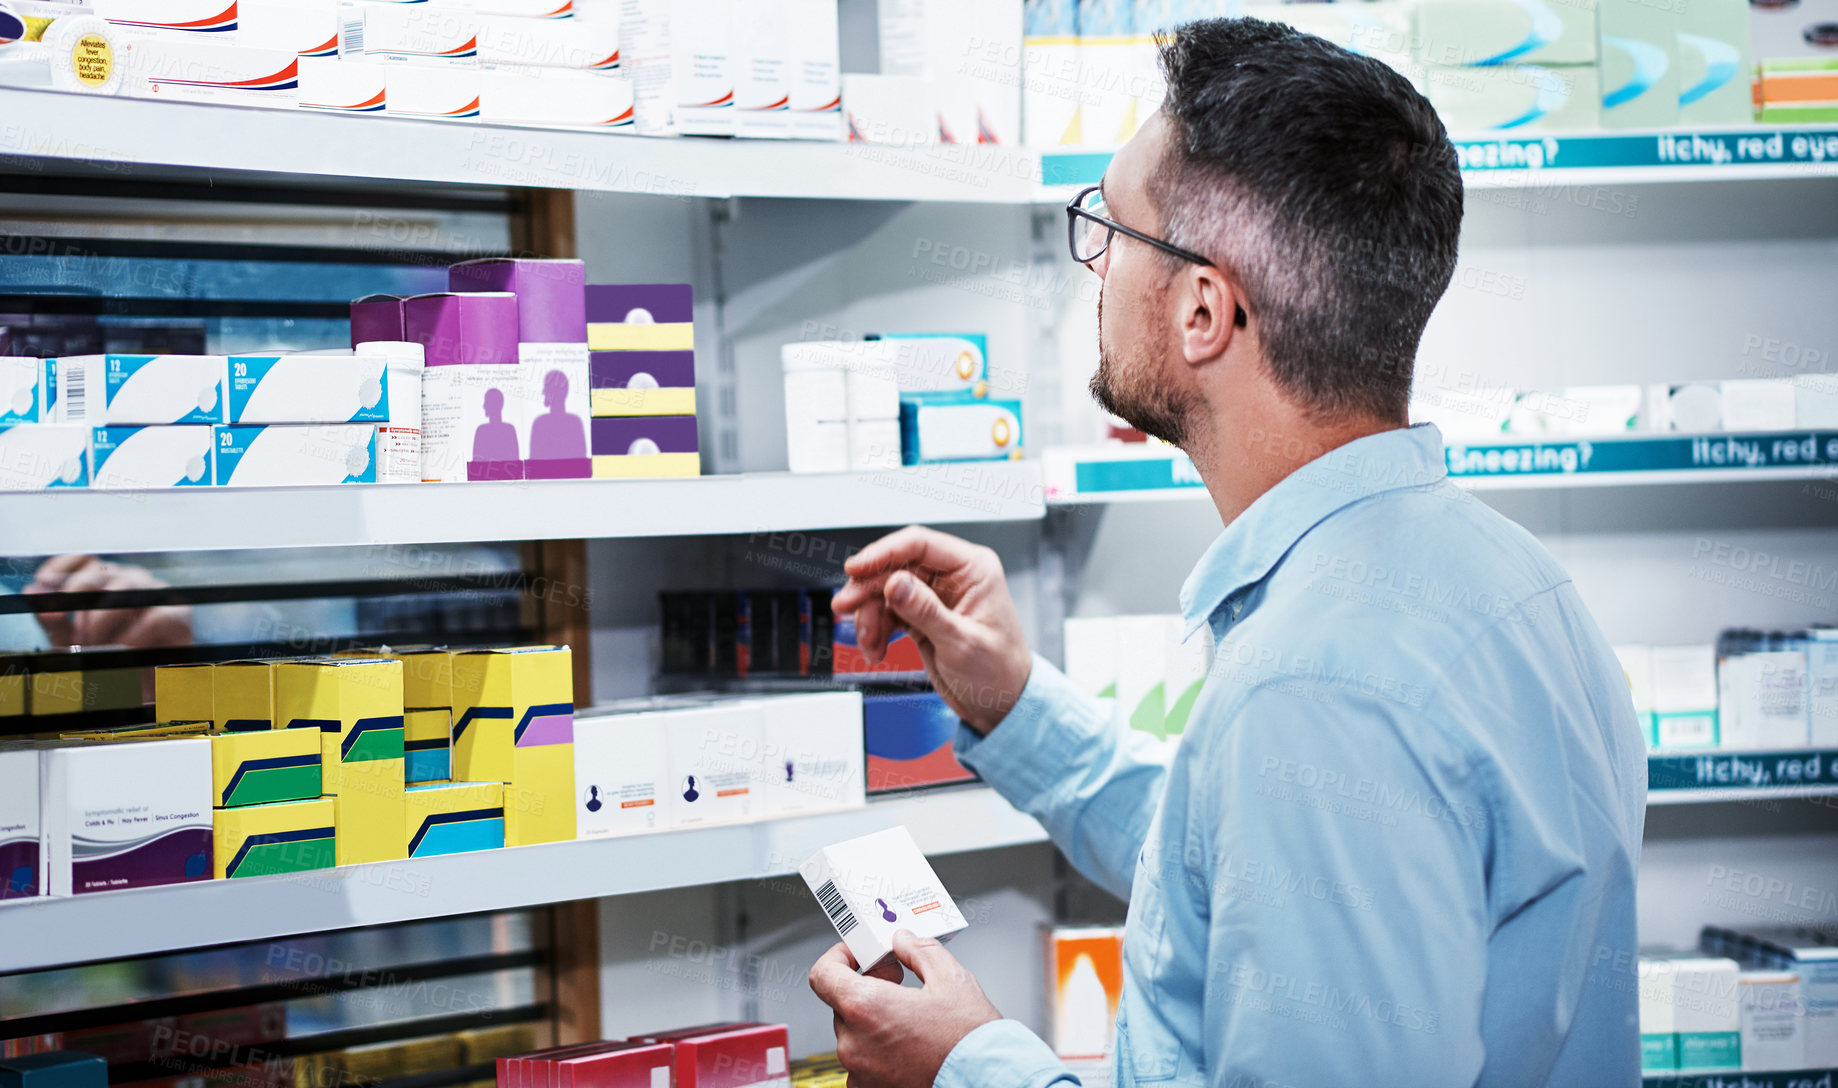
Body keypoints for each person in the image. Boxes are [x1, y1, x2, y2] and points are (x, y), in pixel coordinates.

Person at [806, 18, 1646, 1088]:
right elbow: (1257, 869)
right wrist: (1015, 704)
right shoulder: (1508, 581)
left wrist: (970, 1065)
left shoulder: (1314, 685)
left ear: (1205, 306)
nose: (1095, 266)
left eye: (1110, 228)